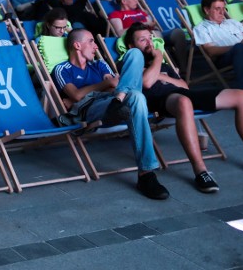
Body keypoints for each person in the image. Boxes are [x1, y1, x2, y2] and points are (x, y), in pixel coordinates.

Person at [125, 22, 243, 193]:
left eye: (150, 38)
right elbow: (146, 82)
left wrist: (161, 74)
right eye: (142, 40)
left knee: (242, 96)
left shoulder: (164, 66)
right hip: (160, 101)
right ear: (132, 46)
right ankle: (201, 171)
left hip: (182, 94)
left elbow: (184, 85)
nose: (149, 43)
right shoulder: (130, 63)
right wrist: (159, 59)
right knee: (184, 102)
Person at [52, 29, 169, 200]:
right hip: (92, 108)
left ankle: (146, 174)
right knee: (136, 97)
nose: (96, 47)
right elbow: (76, 95)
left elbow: (115, 86)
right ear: (77, 45)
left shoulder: (100, 65)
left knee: (135, 55)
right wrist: (105, 83)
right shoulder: (62, 69)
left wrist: (112, 88)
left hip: (114, 100)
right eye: (91, 41)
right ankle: (147, 173)